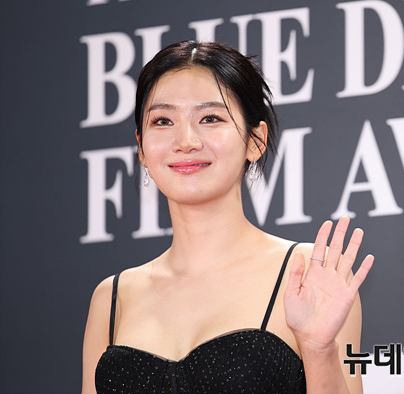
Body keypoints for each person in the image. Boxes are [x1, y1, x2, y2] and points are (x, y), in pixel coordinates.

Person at [81, 41, 373, 394]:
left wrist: (319, 350)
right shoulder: (112, 298)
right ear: (141, 147)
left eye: (210, 118)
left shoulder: (309, 274)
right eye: (163, 121)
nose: (185, 140)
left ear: (255, 140)